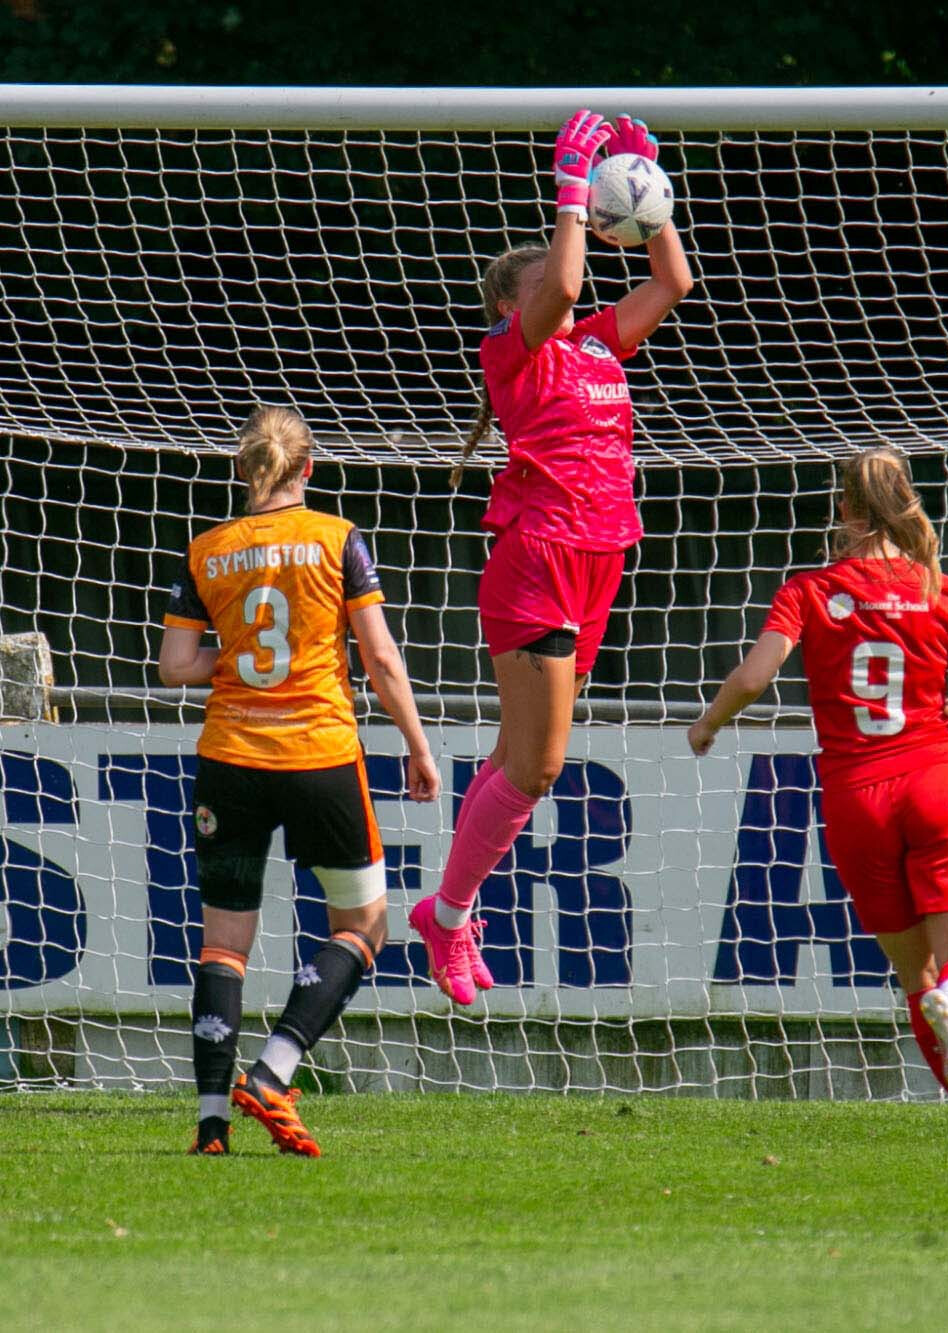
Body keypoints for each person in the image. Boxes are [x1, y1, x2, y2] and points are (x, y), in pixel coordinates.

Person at [409, 109, 694, 1006]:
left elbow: (674, 279)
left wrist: (650, 193)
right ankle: (448, 916)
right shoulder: (515, 349)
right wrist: (572, 183)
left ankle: (451, 911)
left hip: (602, 556)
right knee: (539, 769)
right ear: (512, 302)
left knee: (516, 759)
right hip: (538, 556)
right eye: (537, 272)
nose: (560, 271)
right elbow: (563, 284)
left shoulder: (600, 344)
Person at [687, 446, 948, 1165]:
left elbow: (756, 675)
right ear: (906, 501)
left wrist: (710, 722)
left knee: (918, 981)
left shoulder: (812, 589)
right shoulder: (944, 590)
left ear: (844, 510)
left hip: (855, 800)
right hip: (934, 781)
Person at [158, 407, 440, 1157]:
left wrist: (242, 657)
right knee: (362, 927)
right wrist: (418, 744)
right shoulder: (336, 537)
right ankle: (274, 1071)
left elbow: (175, 666)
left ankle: (212, 1122)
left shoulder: (207, 549)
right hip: (317, 754)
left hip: (230, 757)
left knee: (224, 943)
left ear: (245, 469)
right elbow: (379, 658)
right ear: (307, 468)